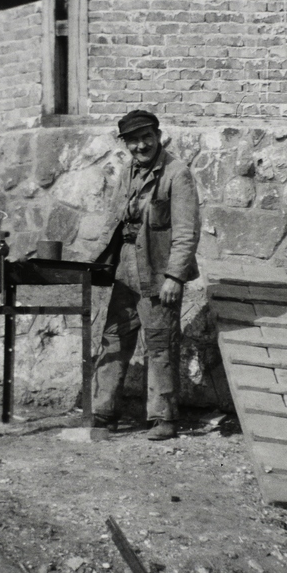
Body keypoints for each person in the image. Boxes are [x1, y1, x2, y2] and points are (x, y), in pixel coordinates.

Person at [93, 109, 201, 441]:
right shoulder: (127, 172)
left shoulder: (177, 174)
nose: (141, 146)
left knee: (159, 344)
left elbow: (186, 233)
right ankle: (103, 411)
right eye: (133, 140)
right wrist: (99, 264)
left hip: (157, 272)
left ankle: (163, 418)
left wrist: (175, 277)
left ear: (158, 135)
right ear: (125, 144)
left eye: (146, 137)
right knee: (114, 337)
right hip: (126, 267)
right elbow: (113, 220)